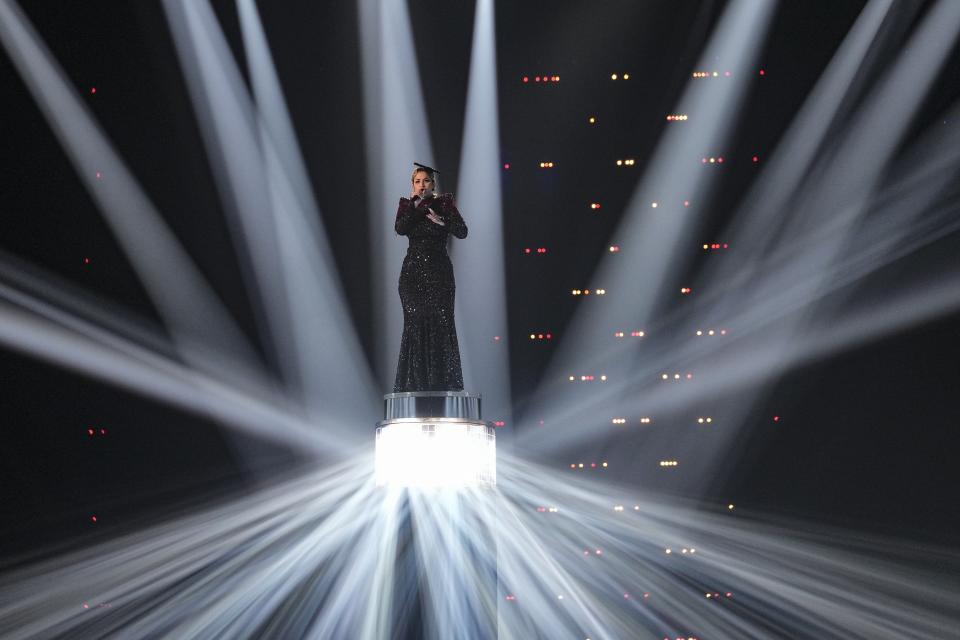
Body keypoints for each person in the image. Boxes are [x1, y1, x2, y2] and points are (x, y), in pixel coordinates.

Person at [393, 163, 468, 392]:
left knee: (441, 323)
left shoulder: (443, 204)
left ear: (433, 184)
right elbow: (400, 228)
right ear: (412, 185)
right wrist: (420, 208)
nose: (422, 185)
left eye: (426, 181)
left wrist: (442, 221)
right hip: (413, 275)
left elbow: (462, 231)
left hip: (439, 273)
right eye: (417, 182)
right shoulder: (407, 206)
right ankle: (414, 382)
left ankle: (443, 382)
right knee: (415, 324)